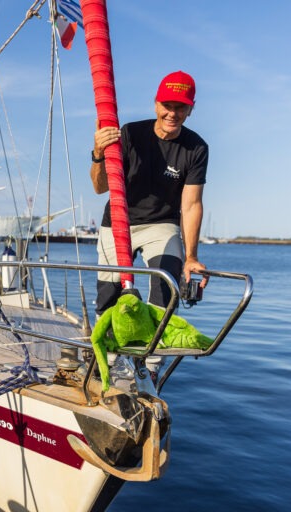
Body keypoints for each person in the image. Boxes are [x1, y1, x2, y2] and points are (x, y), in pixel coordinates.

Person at [90, 70, 208, 380]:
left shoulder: (196, 148)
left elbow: (191, 204)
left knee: (166, 284)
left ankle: (150, 369)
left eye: (181, 107)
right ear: (156, 104)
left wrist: (191, 257)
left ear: (191, 109)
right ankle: (108, 361)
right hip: (119, 220)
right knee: (109, 294)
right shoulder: (130, 134)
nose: (172, 113)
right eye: (167, 105)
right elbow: (100, 187)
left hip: (161, 224)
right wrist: (98, 153)